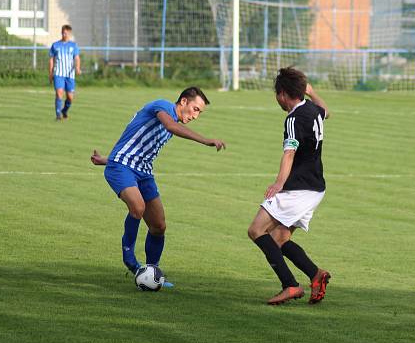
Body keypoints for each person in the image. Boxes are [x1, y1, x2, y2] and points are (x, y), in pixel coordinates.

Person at [90, 87, 226, 281]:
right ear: (184, 102)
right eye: (196, 109)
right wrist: (205, 140)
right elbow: (170, 126)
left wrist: (104, 159)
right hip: (122, 167)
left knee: (159, 226)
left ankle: (152, 273)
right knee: (137, 207)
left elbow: (135, 139)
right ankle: (129, 257)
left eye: (200, 112)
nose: (196, 116)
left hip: (143, 171)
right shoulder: (162, 106)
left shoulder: (174, 122)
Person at [247, 68, 331, 305]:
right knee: (279, 238)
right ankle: (316, 275)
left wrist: (278, 183)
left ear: (283, 94)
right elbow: (327, 112)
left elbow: (289, 153)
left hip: (298, 189)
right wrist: (313, 92)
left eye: (277, 94)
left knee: (256, 231)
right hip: (315, 188)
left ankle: (290, 286)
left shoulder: (293, 118)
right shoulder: (314, 109)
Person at [49, 25, 81, 121]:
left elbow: (77, 58)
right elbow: (51, 60)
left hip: (69, 74)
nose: (64, 34)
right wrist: (50, 73)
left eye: (66, 33)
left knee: (70, 97)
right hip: (58, 73)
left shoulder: (73, 45)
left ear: (69, 34)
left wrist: (78, 68)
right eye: (63, 32)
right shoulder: (55, 45)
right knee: (59, 93)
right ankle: (58, 115)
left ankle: (64, 111)